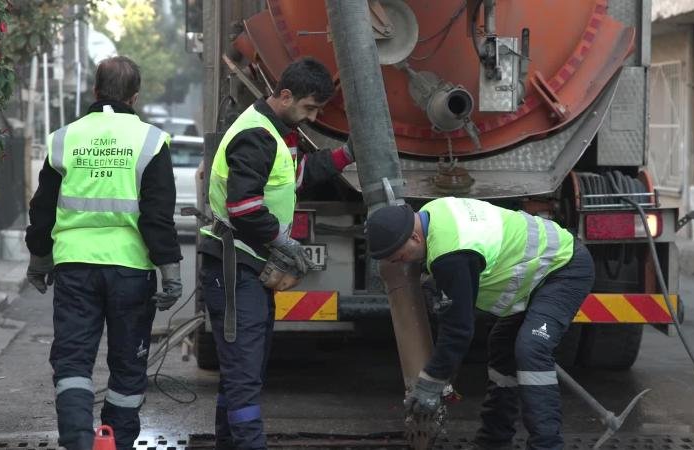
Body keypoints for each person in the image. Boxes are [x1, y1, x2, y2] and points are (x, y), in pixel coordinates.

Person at [25, 56, 183, 450]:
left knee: (73, 360)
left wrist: (39, 258)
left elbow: (42, 206)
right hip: (131, 270)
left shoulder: (65, 138)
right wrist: (171, 273)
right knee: (128, 364)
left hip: (75, 267)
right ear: (136, 97)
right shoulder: (150, 140)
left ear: (94, 92)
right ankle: (117, 441)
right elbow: (157, 216)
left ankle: (78, 441)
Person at [198, 56, 355, 449]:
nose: (312, 116)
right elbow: (243, 207)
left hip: (245, 268)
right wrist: (282, 242)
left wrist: (347, 155)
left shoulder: (270, 129)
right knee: (245, 376)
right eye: (309, 107)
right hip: (235, 269)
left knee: (241, 374)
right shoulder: (257, 135)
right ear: (285, 95)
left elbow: (295, 175)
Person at [366, 197, 595, 450]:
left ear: (415, 238)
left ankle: (547, 445)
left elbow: (459, 330)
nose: (403, 263)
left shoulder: (450, 253)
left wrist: (431, 383)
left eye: (400, 257)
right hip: (538, 273)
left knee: (531, 348)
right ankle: (493, 441)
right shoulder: (432, 212)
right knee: (502, 347)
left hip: (564, 268)